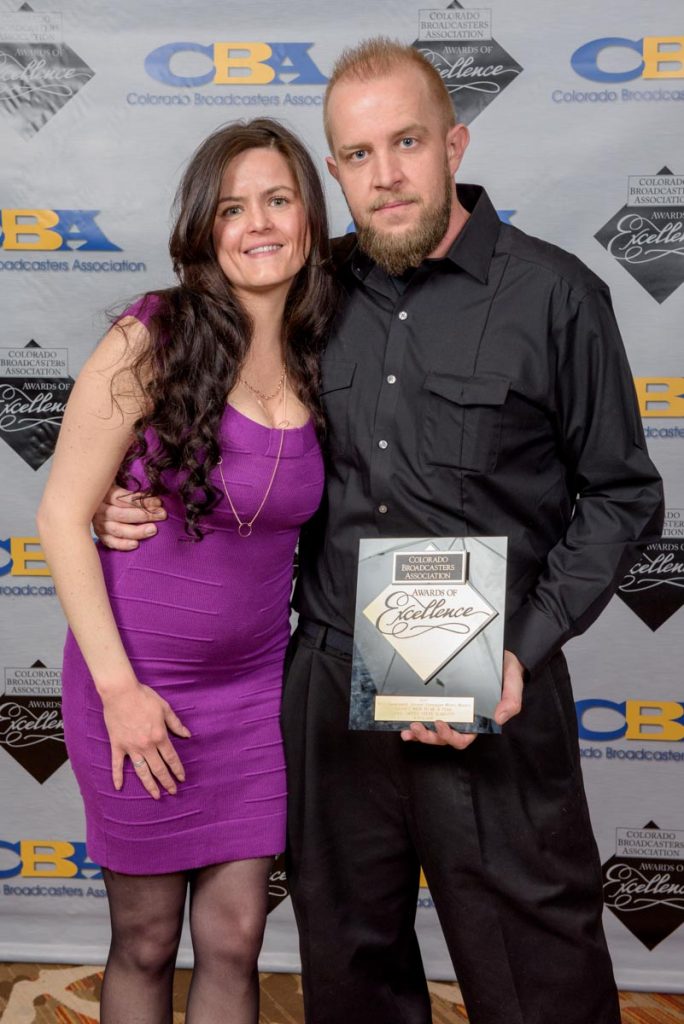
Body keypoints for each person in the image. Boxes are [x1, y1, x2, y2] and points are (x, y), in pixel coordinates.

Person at [94, 39, 664, 1024]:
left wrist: (521, 651)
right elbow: (215, 428)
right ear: (335, 172)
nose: (386, 174)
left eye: (407, 142)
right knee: (350, 965)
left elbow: (622, 494)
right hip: (330, 682)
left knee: (539, 973)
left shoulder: (556, 295)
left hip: (493, 678)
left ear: (454, 144)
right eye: (358, 155)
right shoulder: (304, 291)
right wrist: (125, 492)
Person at [37, 117, 336, 1024]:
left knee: (238, 937)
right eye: (233, 207)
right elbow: (61, 514)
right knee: (146, 939)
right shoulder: (153, 336)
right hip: (137, 686)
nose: (259, 224)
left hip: (254, 694)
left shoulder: (328, 348)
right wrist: (120, 692)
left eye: (278, 200)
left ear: (310, 216)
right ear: (206, 227)